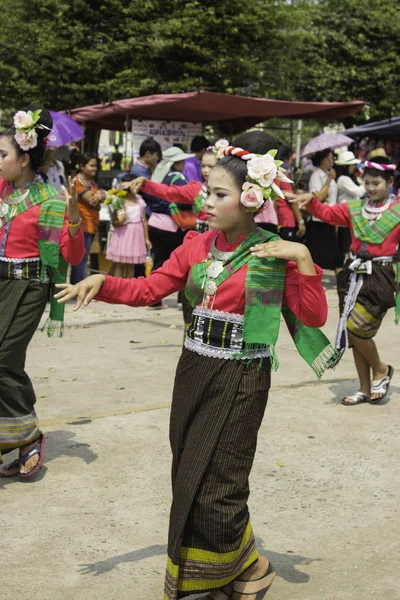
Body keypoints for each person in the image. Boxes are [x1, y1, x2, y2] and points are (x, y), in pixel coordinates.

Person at [55, 130, 337, 600]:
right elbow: (148, 290)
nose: (205, 201)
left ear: (249, 201)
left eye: (218, 194)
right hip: (194, 369)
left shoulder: (270, 256)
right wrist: (102, 281)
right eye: (207, 190)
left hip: (243, 375)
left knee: (221, 481)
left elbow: (311, 317)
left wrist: (304, 257)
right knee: (189, 470)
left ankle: (224, 571)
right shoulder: (195, 247)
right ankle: (243, 562)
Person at [0, 107, 84, 477]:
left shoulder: (50, 199)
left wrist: (75, 217)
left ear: (23, 158)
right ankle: (13, 438)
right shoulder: (1, 189)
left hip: (29, 287)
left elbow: (72, 254)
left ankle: (27, 435)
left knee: (3, 359)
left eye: (2, 154)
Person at [292, 155, 400, 406]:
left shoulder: (397, 211)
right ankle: (364, 387)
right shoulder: (354, 209)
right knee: (352, 334)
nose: (372, 188)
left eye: (377, 183)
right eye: (368, 183)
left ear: (390, 181)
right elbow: (327, 214)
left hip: (380, 276)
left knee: (356, 327)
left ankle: (381, 369)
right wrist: (311, 202)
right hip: (351, 276)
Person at [127, 145, 220, 234]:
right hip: (200, 241)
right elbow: (168, 192)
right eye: (203, 166)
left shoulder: (230, 190)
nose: (205, 170)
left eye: (210, 166)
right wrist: (146, 183)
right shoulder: (196, 188)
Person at [147, 146, 195, 309]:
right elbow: (184, 200)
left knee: (158, 261)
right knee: (184, 262)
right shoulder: (179, 178)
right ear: (177, 163)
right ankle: (184, 299)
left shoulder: (159, 177)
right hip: (171, 226)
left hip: (154, 223)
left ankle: (153, 298)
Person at [70, 153, 106, 284]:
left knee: (84, 258)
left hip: (91, 224)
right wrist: (100, 196)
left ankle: (78, 284)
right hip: (82, 224)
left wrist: (101, 195)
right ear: (82, 166)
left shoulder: (91, 182)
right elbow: (93, 201)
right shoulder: (77, 182)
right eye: (91, 165)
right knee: (81, 257)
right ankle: (77, 286)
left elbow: (101, 197)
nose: (94, 168)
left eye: (96, 166)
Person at [106, 176, 152, 278]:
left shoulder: (139, 201)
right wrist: (120, 220)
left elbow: (144, 220)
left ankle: (129, 287)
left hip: (136, 234)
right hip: (123, 234)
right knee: (120, 264)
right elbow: (114, 221)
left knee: (131, 265)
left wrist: (146, 238)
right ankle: (117, 286)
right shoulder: (119, 201)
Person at [306, 148, 341, 271]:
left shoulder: (328, 175)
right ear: (324, 159)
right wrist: (329, 180)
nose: (332, 160)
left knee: (334, 257)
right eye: (331, 158)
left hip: (331, 218)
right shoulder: (316, 176)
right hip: (319, 220)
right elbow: (318, 197)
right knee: (319, 259)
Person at [335, 151, 366, 264]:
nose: (354, 167)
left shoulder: (347, 179)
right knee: (346, 247)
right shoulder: (343, 179)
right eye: (352, 165)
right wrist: (366, 183)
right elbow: (358, 192)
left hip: (350, 216)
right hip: (346, 216)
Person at [276, 146, 306, 241]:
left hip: (278, 219)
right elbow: (291, 200)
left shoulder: (274, 174)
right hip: (286, 221)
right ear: (288, 159)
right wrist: (301, 222)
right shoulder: (282, 176)